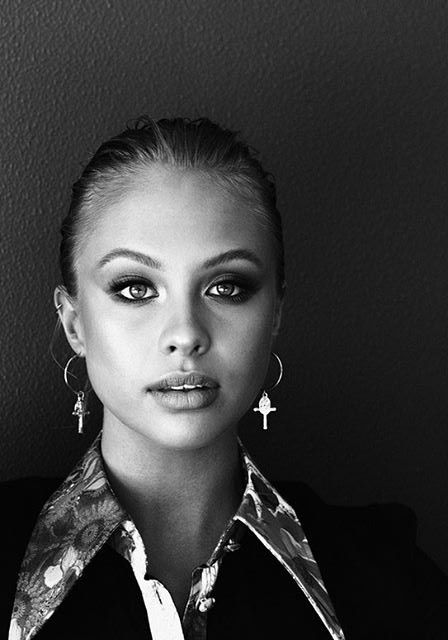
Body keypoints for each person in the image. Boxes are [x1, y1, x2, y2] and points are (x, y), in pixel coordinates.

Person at [2, 117, 447, 640]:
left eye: (226, 287)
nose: (186, 334)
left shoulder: (384, 577)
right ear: (75, 323)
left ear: (275, 312)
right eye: (135, 288)